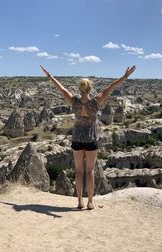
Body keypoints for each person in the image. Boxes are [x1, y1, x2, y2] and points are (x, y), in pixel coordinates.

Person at [40, 64, 136, 210]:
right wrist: (125, 76)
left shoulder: (74, 102)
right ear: (90, 88)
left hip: (77, 138)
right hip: (91, 138)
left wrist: (49, 75)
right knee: (90, 171)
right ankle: (90, 201)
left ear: (80, 88)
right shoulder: (96, 101)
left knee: (78, 171)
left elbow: (61, 89)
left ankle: (79, 201)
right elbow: (111, 87)